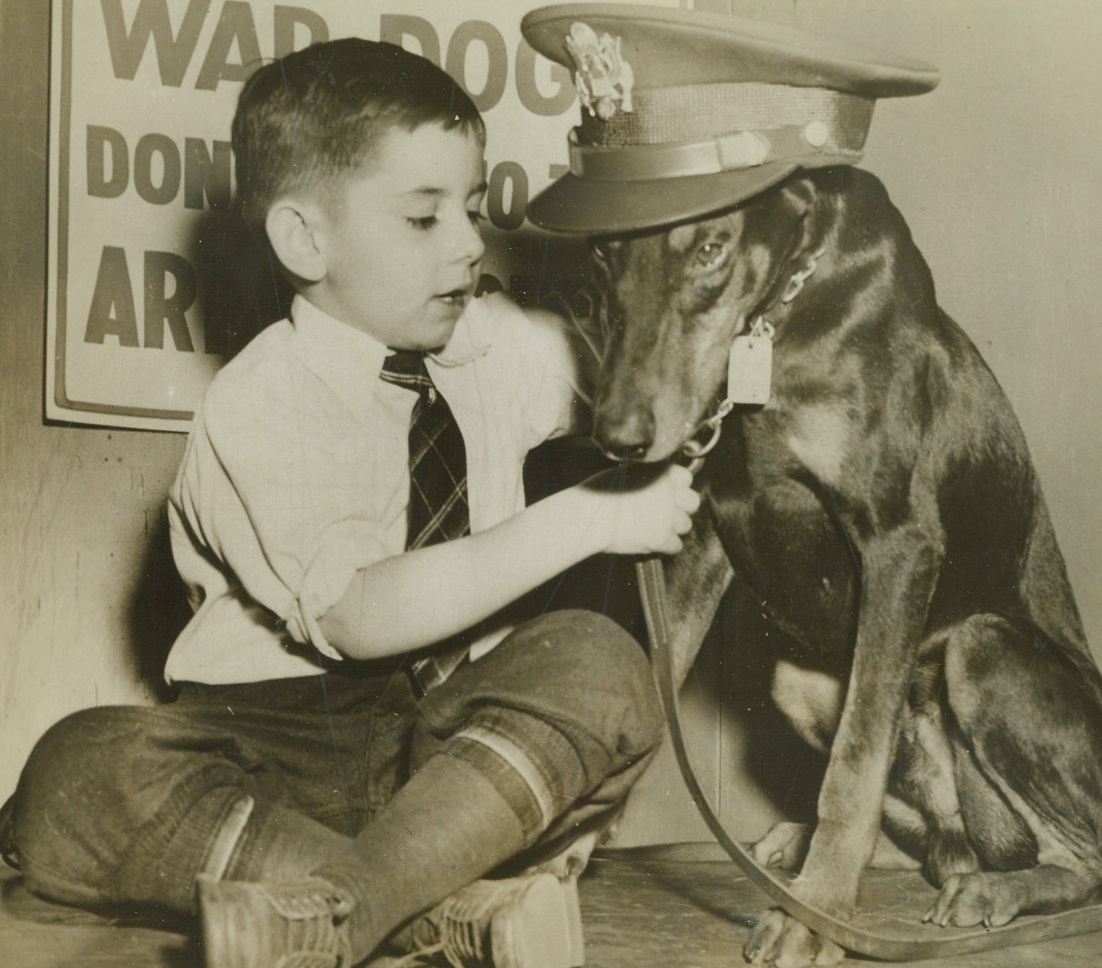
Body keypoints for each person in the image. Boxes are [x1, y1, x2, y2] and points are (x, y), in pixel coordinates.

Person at [1, 38, 699, 968]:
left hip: (456, 758)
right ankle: (444, 911)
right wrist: (588, 518)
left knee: (603, 660)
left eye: (474, 206)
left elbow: (645, 373)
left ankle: (345, 913)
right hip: (273, 753)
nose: (468, 241)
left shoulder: (499, 347)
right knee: (74, 770)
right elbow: (362, 617)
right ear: (304, 240)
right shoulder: (258, 400)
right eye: (423, 218)